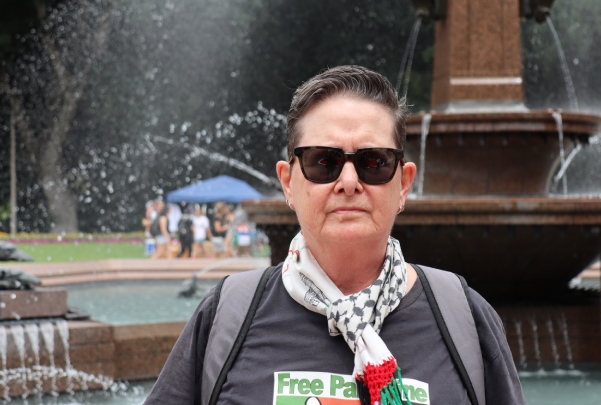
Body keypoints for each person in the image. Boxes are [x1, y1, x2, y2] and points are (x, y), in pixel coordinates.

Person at [144, 66, 525, 404]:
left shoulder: (466, 319)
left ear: (404, 184)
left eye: (373, 162)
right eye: (323, 161)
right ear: (288, 181)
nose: (348, 182)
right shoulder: (226, 315)